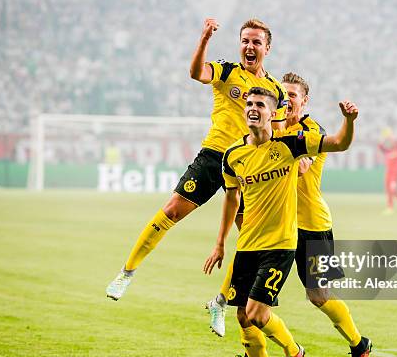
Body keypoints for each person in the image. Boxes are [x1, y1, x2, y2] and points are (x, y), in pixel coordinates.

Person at [106, 18, 288, 302]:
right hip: (215, 156)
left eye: (256, 42)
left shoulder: (276, 91)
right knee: (172, 211)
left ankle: (225, 301)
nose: (249, 47)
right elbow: (196, 73)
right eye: (245, 41)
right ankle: (126, 272)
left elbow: (276, 134)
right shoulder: (227, 72)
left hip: (248, 167)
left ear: (268, 48)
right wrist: (204, 39)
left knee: (251, 237)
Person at [215, 73, 371, 357]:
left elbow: (299, 167)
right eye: (283, 96)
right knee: (253, 302)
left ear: (304, 100)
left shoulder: (310, 131)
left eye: (293, 96)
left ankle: (358, 343)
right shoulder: (270, 132)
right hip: (276, 229)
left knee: (318, 295)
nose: (288, 101)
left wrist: (279, 132)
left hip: (312, 225)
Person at [378, 127, 397, 215]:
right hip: (388, 173)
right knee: (388, 190)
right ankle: (390, 207)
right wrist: (382, 140)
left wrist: (391, 137)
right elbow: (381, 148)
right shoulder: (388, 151)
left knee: (393, 190)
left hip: (395, 173)